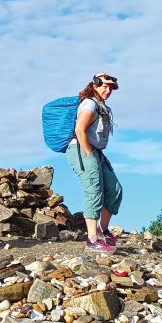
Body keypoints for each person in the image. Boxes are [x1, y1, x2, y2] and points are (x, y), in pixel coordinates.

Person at [66, 72, 123, 252]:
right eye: (104, 86)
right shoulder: (89, 104)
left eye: (111, 88)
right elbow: (80, 130)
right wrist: (89, 154)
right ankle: (92, 240)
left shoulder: (101, 106)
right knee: (94, 190)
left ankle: (103, 231)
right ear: (95, 85)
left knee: (114, 190)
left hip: (95, 151)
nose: (108, 90)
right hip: (83, 149)